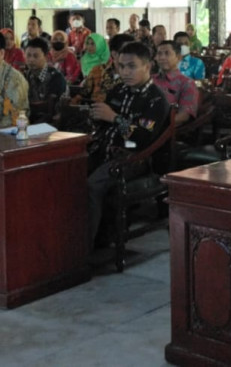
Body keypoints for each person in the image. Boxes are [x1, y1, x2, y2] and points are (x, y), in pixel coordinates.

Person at [86, 42, 172, 244]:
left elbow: (142, 138)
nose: (125, 72)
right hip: (104, 150)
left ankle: (84, 250)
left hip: (134, 158)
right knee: (64, 172)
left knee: (92, 186)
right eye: (121, 66)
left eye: (132, 66)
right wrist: (95, 116)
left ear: (148, 67)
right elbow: (102, 122)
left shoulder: (156, 100)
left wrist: (114, 118)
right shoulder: (118, 91)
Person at [153, 41, 199, 125]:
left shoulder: (186, 83)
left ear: (178, 57)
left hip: (164, 130)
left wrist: (157, 124)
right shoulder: (149, 79)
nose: (162, 58)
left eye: (167, 54)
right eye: (159, 54)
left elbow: (184, 115)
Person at [78, 33, 131, 103]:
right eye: (128, 52)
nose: (133, 55)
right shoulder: (98, 70)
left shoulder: (135, 75)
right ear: (114, 54)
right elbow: (83, 93)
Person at [23, 38, 68, 103]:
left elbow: (53, 106)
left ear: (46, 57)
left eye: (36, 56)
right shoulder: (25, 76)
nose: (31, 60)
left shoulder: (56, 78)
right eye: (28, 55)